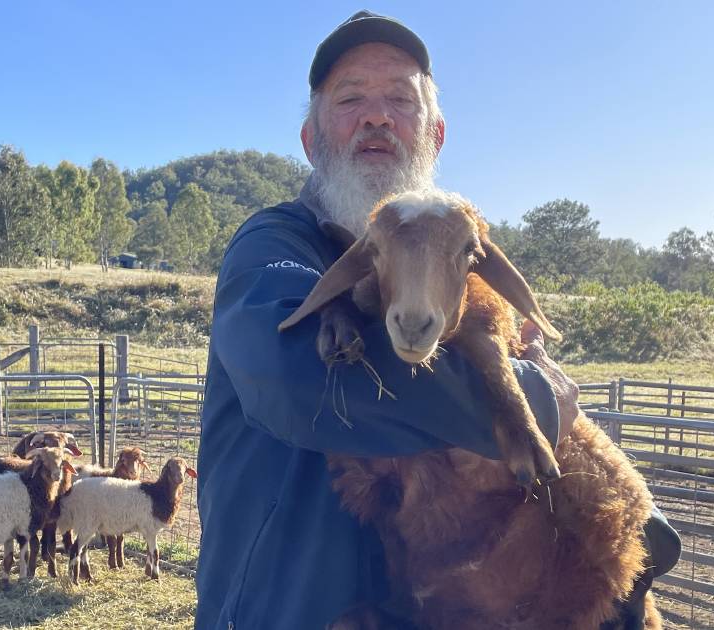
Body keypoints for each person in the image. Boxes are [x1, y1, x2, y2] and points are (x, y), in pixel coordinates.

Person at [194, 10, 680, 630]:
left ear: (436, 136)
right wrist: (534, 400)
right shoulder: (274, 245)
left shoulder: (456, 253)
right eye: (350, 100)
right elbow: (296, 378)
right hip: (286, 607)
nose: (377, 116)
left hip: (414, 605)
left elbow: (498, 342)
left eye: (401, 99)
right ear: (311, 140)